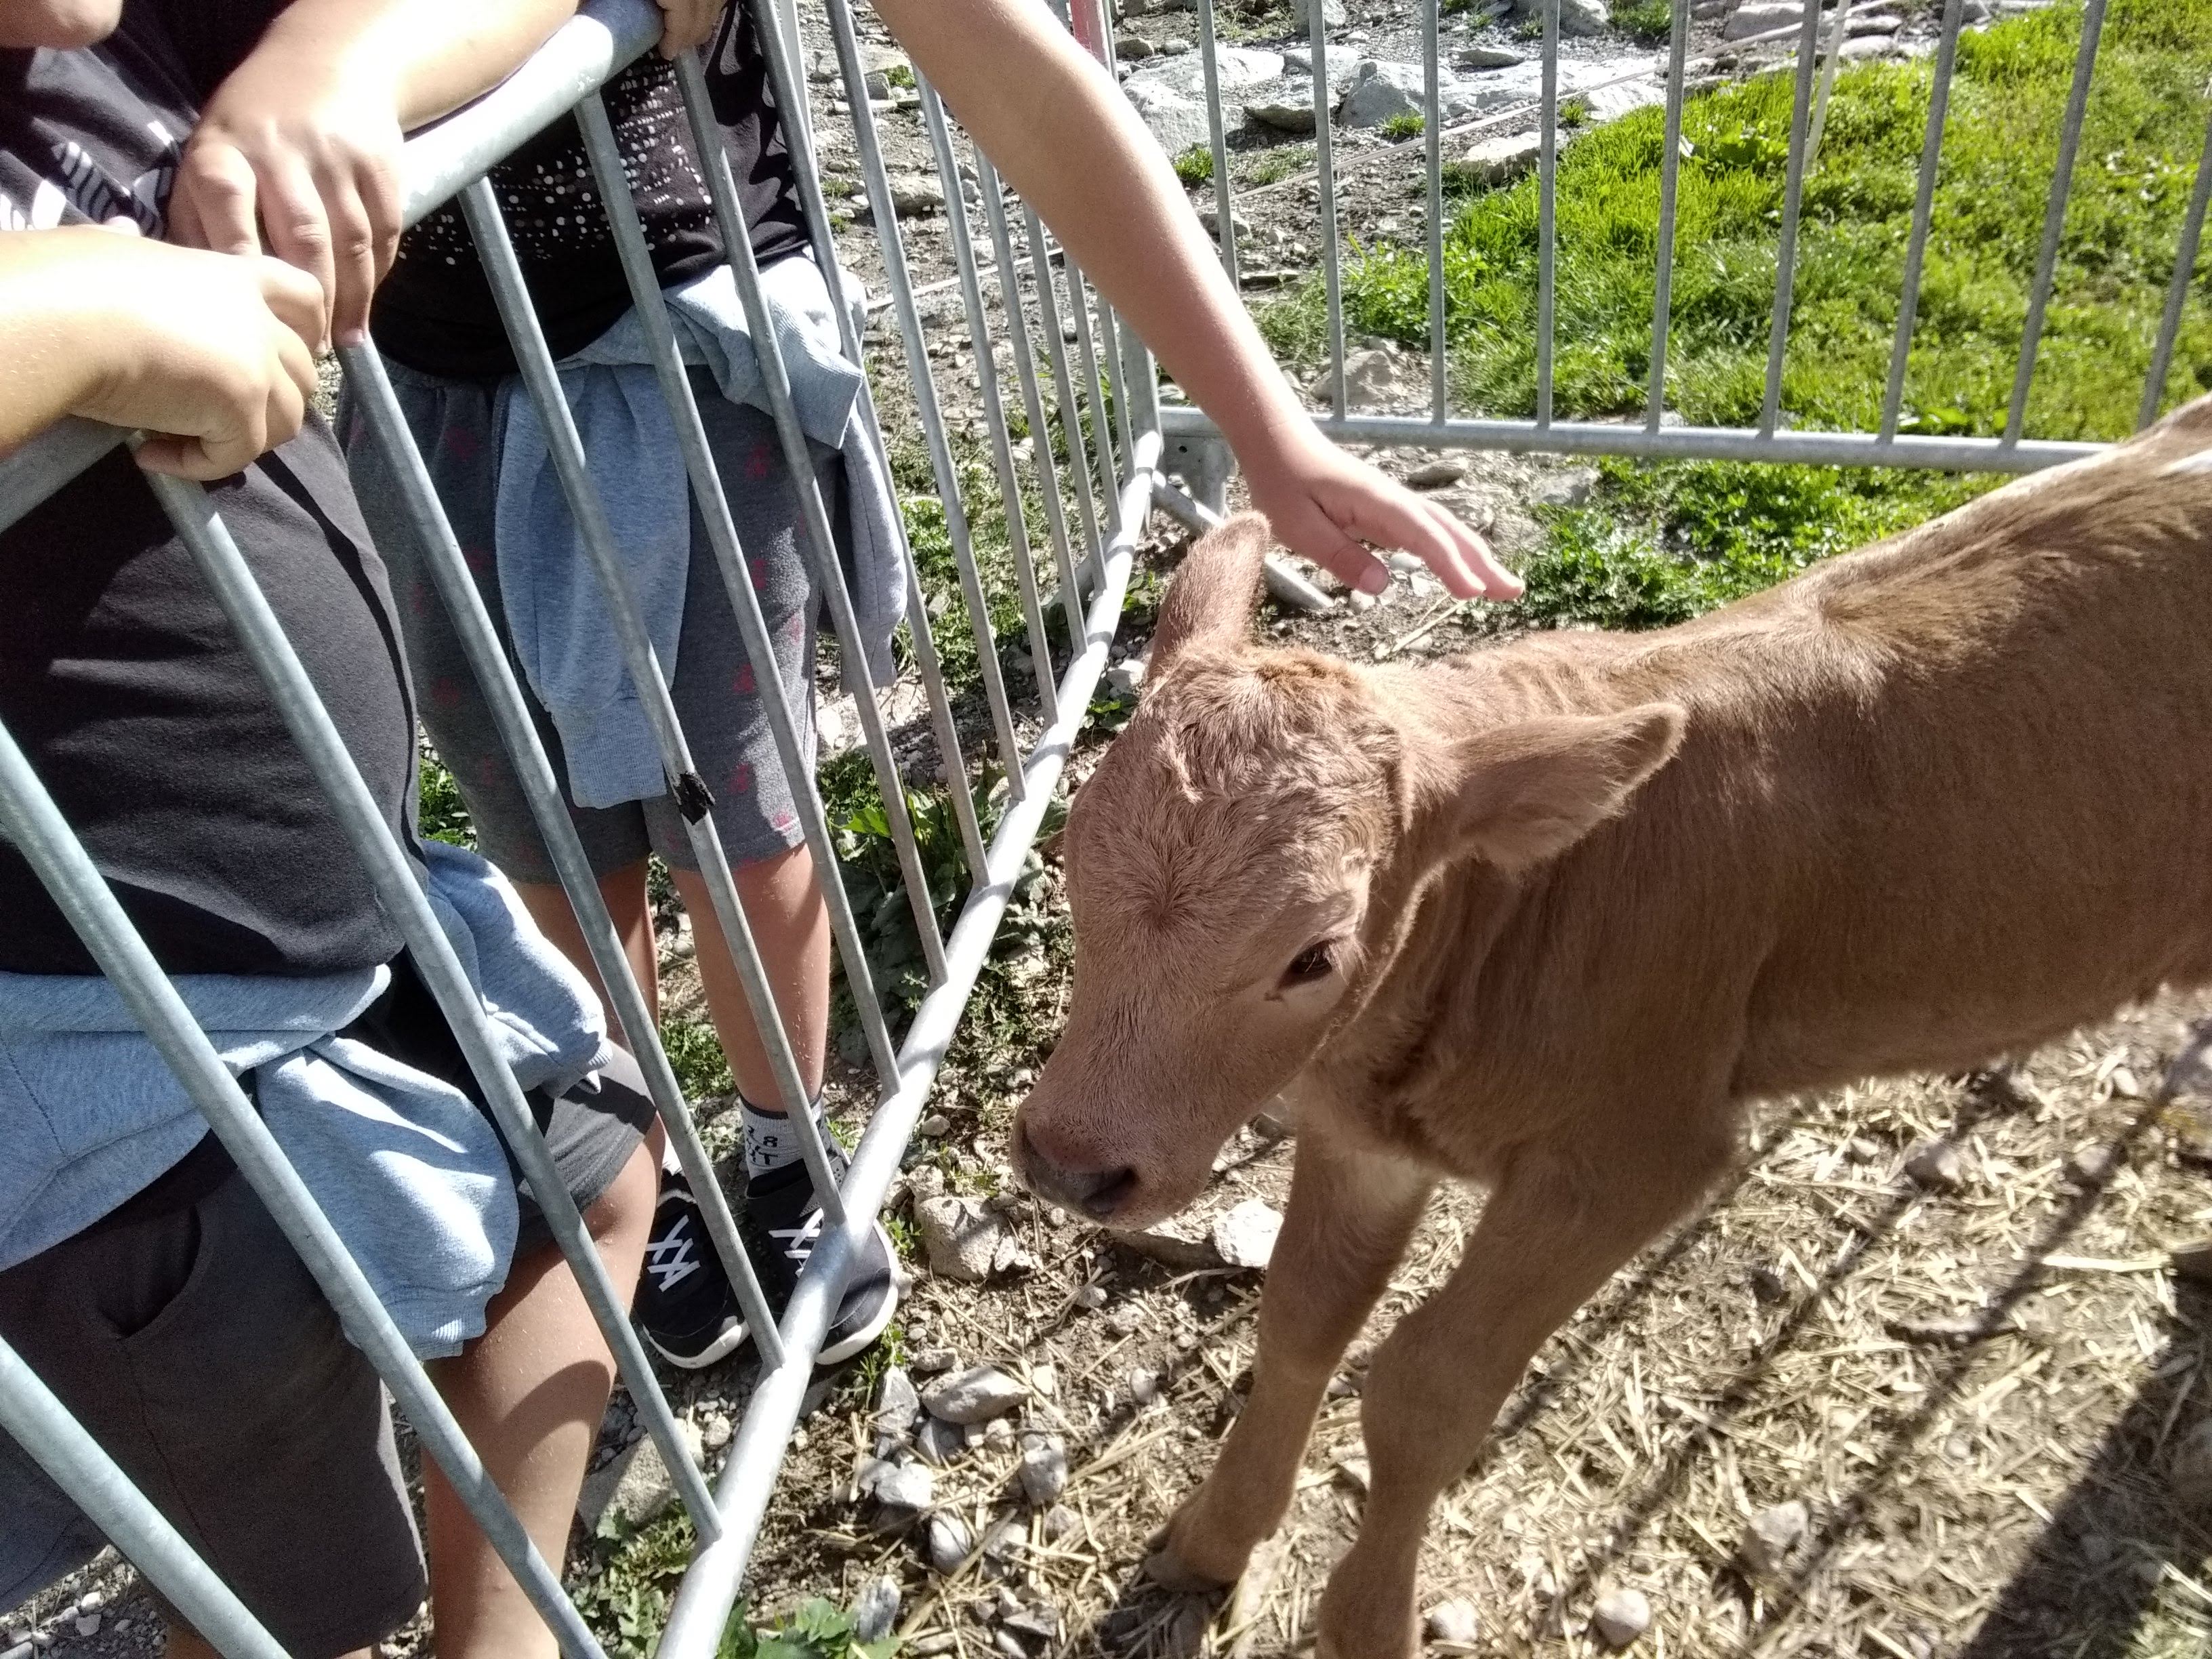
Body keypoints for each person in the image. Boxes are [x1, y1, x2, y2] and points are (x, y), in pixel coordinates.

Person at [178, 0, 1524, 1378]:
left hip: (682, 367)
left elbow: (1016, 75)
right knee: (549, 834)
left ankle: (785, 1154)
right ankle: (634, 1157)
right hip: (423, 392)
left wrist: (1267, 422)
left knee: (738, 808)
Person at [0, 4, 684, 1659]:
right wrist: (72, 316)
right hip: (111, 1080)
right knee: (276, 1581)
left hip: (352, 924)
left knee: (590, 1185)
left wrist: (341, 58)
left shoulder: (90, 47)